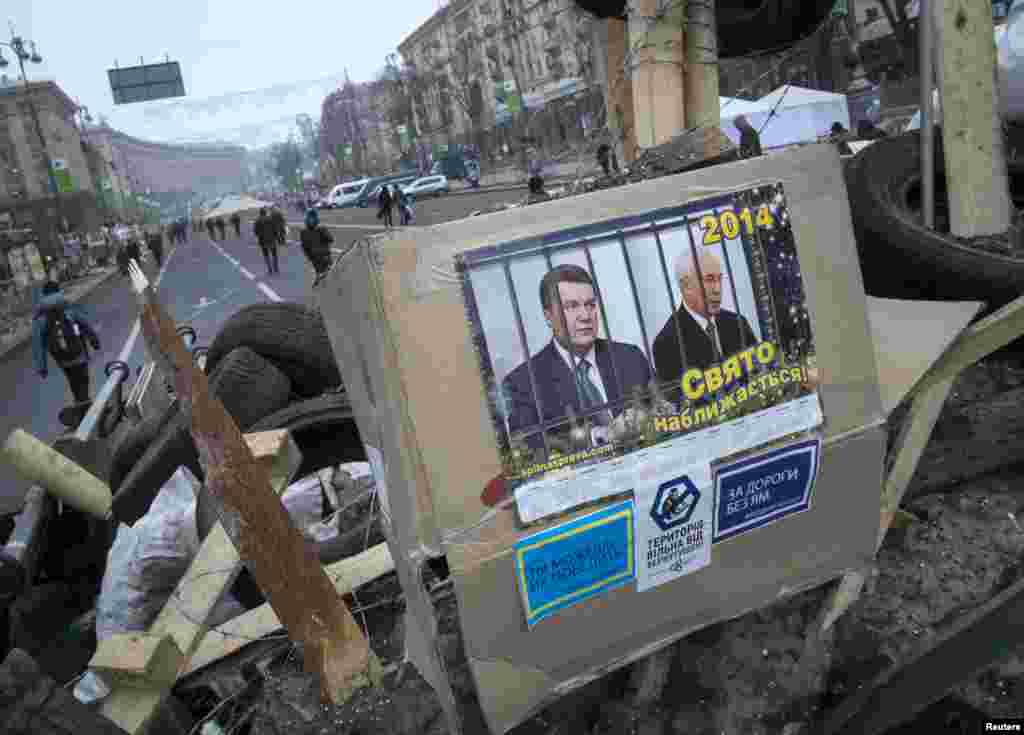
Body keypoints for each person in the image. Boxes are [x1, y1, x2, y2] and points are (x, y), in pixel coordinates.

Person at [502, 265, 653, 450]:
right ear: (548, 316)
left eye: (590, 305)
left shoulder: (630, 357)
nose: (585, 316)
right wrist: (603, 435)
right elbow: (530, 446)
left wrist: (650, 416)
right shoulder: (522, 383)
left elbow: (665, 408)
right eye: (571, 306)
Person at [651, 251, 758, 387]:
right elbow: (684, 402)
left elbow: (760, 373)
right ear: (686, 286)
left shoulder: (737, 322)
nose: (717, 289)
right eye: (709, 280)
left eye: (719, 279)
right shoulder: (666, 343)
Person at [33, 280, 101, 420]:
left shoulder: (41, 319)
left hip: (62, 359)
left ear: (44, 295)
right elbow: (85, 325)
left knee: (73, 381)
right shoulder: (68, 308)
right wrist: (94, 341)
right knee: (83, 379)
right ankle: (86, 407)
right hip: (79, 354)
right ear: (58, 291)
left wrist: (42, 368)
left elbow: (38, 345)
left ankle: (81, 405)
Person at [299, 208, 334, 281]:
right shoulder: (305, 232)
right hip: (319, 258)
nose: (311, 220)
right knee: (324, 277)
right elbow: (304, 247)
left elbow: (330, 239)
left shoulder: (321, 229)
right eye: (310, 218)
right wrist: (310, 258)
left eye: (312, 218)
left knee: (327, 276)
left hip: (323, 257)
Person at [253, 208, 279, 276]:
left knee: (266, 254)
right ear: (265, 213)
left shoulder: (257, 221)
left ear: (260, 213)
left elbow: (256, 232)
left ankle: (269, 268)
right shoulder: (270, 219)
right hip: (272, 239)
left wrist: (259, 236)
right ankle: (275, 267)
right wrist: (276, 236)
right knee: (274, 254)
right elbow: (275, 229)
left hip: (262, 240)